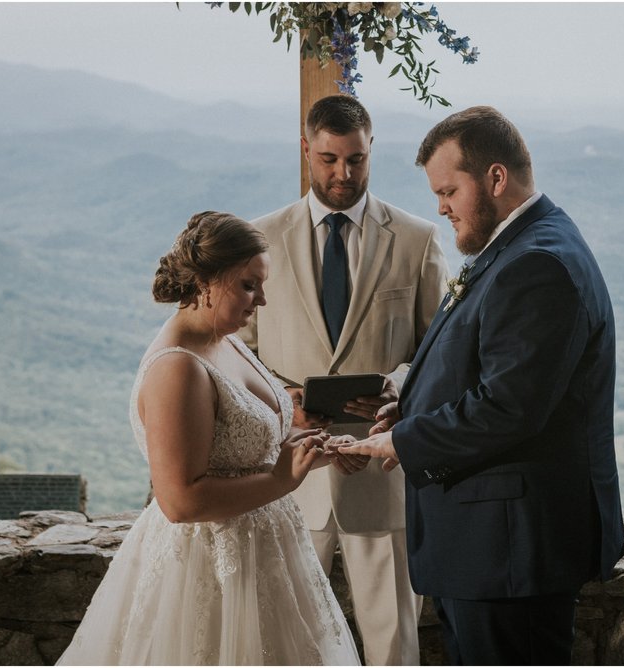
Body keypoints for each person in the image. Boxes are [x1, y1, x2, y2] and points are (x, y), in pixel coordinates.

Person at [340, 106, 624, 665]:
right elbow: (491, 368)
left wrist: (402, 441)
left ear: (496, 178)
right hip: (488, 550)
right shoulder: (517, 248)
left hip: (509, 553)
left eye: (449, 190)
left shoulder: (538, 263)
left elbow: (509, 407)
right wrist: (411, 403)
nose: (440, 207)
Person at [56, 211, 362, 665]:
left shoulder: (226, 339)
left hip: (269, 554)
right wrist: (283, 480)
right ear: (205, 280)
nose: (260, 300)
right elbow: (180, 501)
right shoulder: (177, 369)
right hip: (209, 569)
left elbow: (249, 453)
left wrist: (314, 453)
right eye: (248, 285)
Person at [240, 94, 447, 665]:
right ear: (306, 150)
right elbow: (240, 354)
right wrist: (286, 402)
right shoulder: (260, 240)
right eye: (329, 159)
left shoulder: (416, 239)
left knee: (393, 644)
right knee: (282, 640)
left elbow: (442, 352)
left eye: (355, 159)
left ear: (371, 149)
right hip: (290, 474)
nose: (343, 173)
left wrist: (398, 390)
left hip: (381, 475)